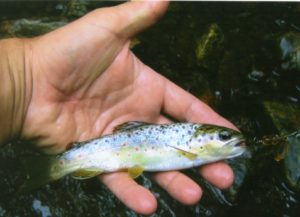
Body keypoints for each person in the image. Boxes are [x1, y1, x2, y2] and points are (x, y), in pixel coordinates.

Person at [0, 1, 238, 215]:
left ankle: (46, 167)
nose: (227, 138)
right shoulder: (191, 152)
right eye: (223, 135)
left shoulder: (194, 151)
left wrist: (25, 81)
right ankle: (49, 167)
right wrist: (25, 79)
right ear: (197, 140)